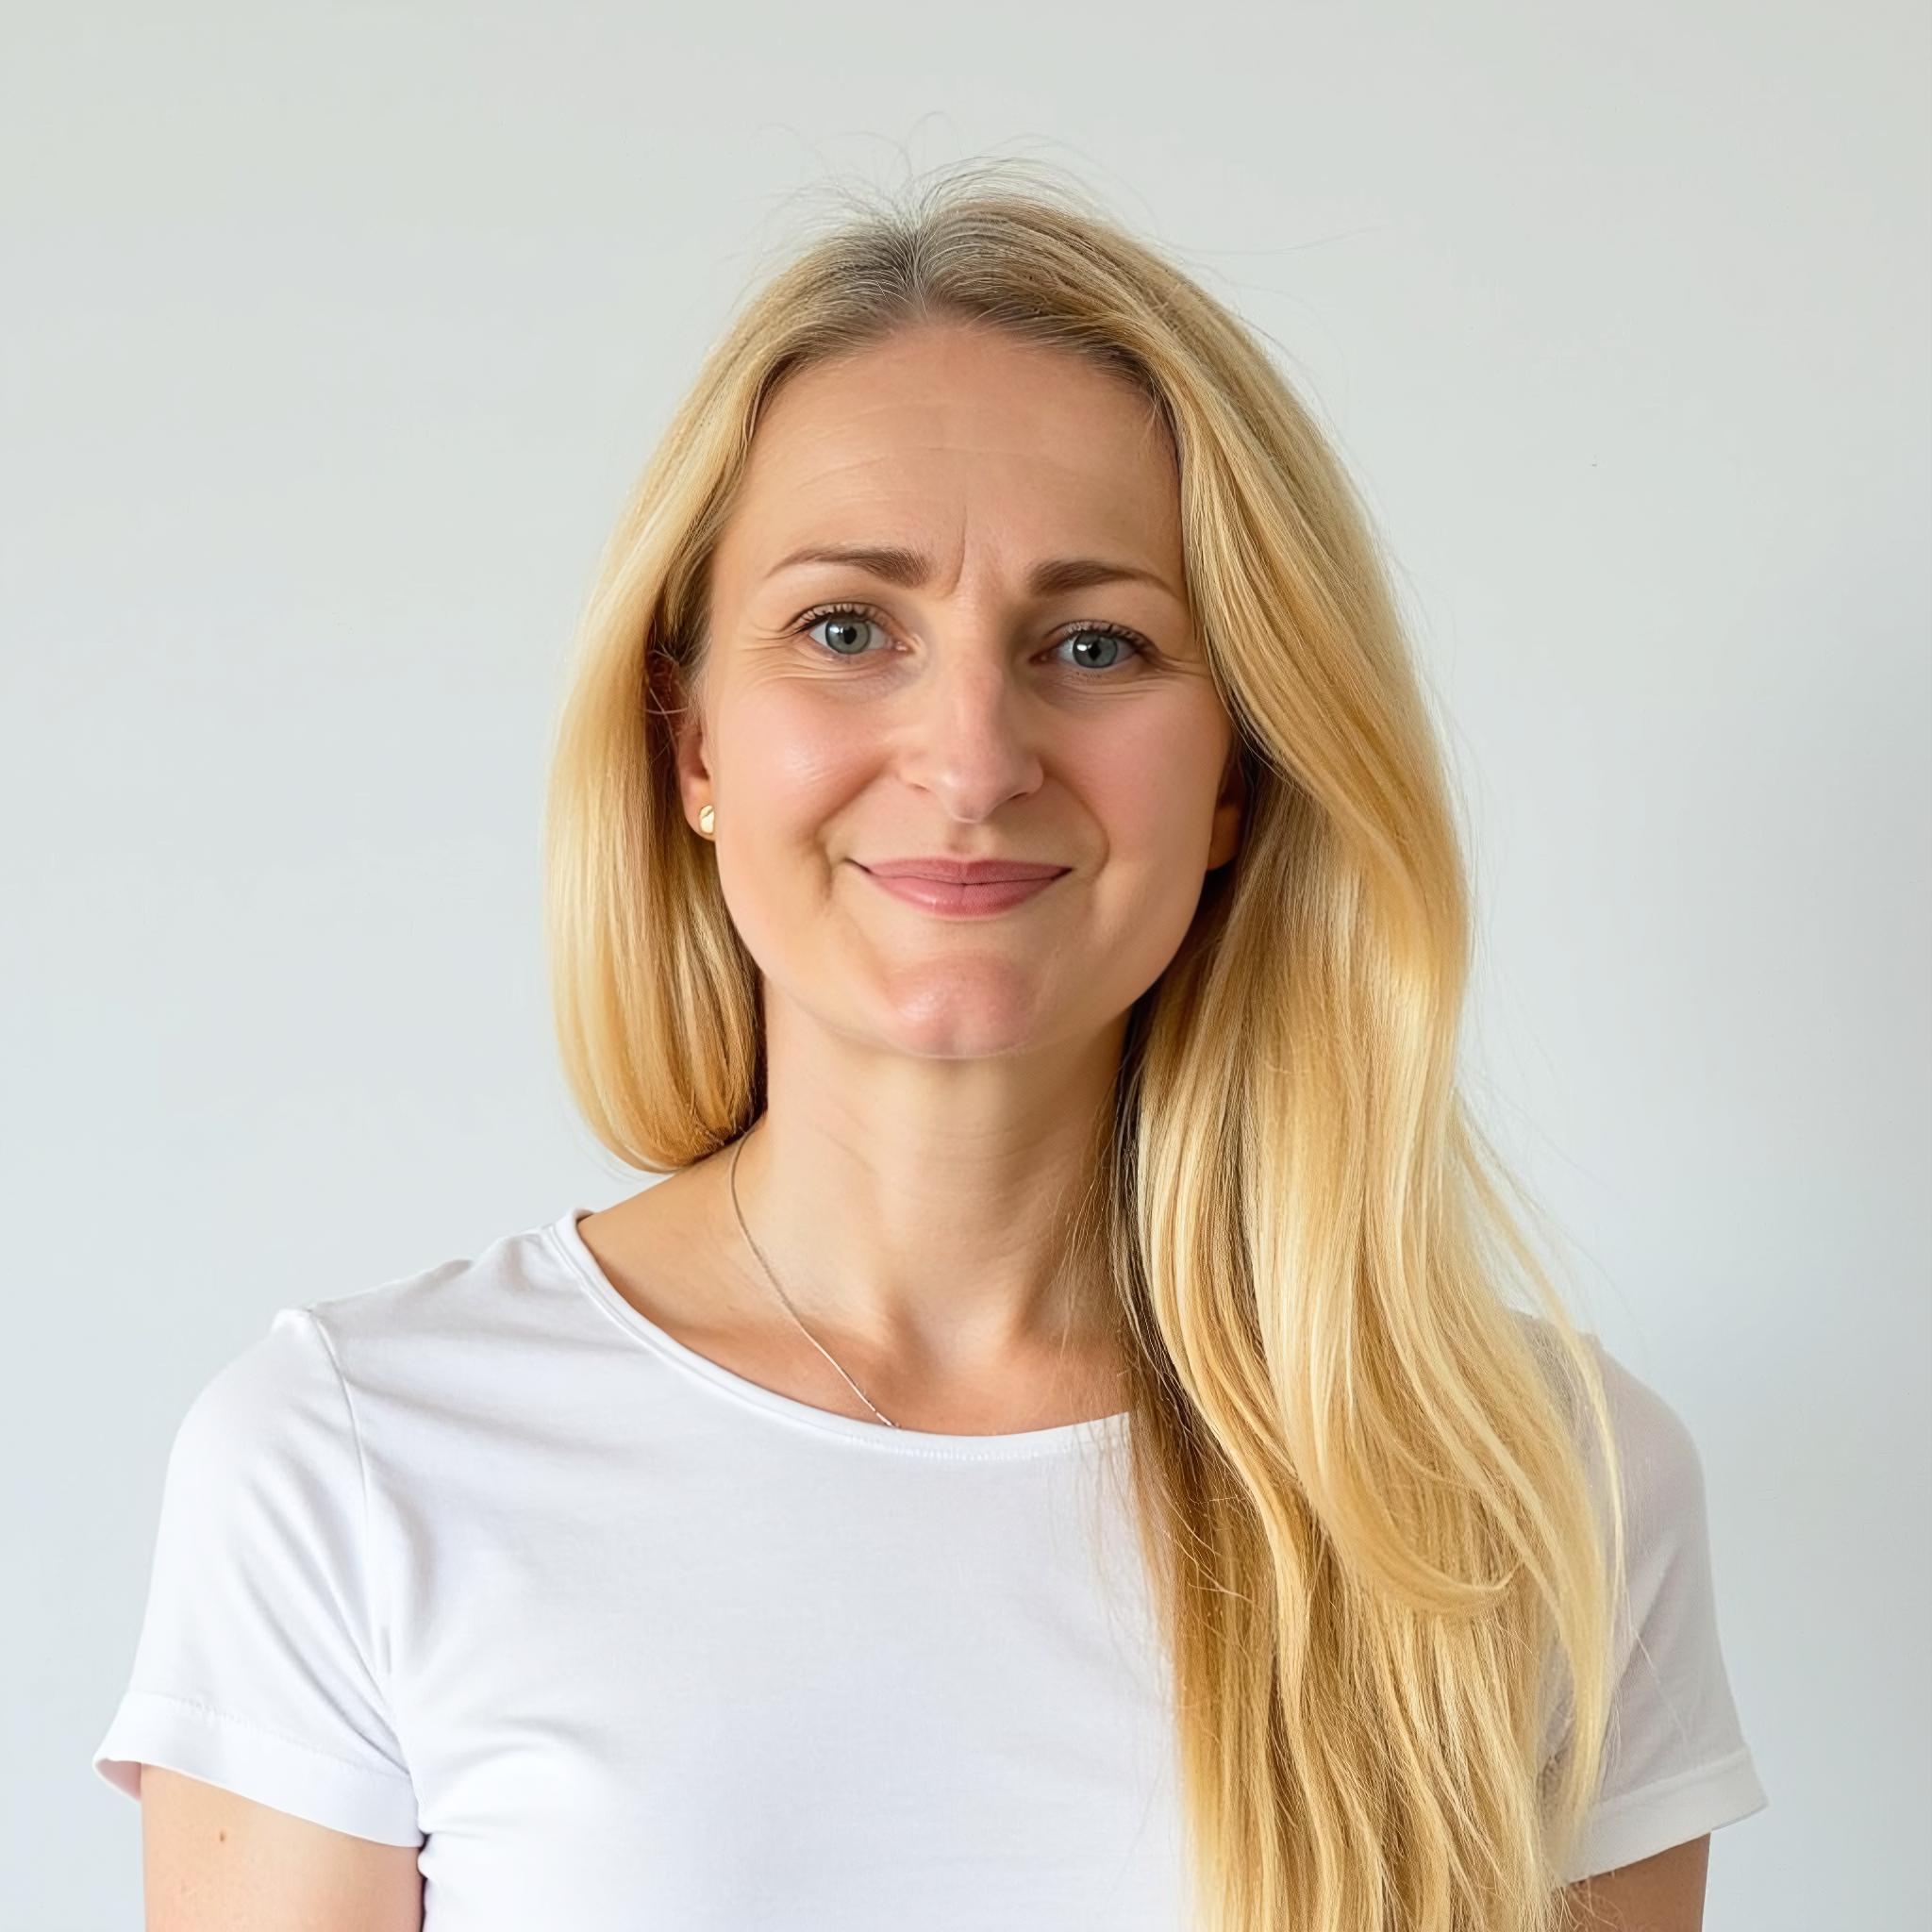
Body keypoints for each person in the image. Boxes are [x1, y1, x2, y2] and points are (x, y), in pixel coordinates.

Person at [91, 164, 1768, 1931]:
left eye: (1097, 644)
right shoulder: (353, 1458)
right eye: (846, 630)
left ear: (1238, 777)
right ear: (692, 745)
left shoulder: (1534, 1489)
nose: (971, 763)